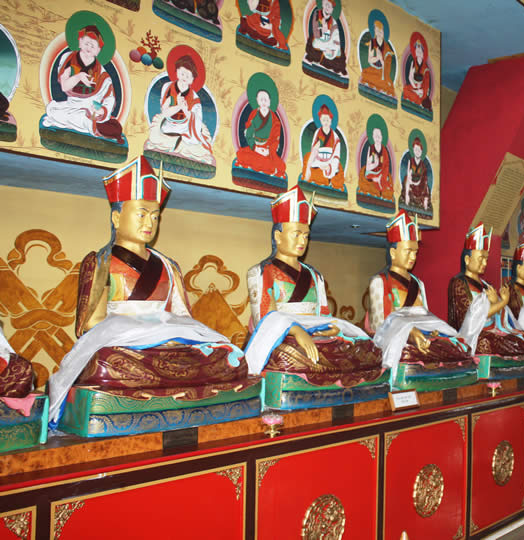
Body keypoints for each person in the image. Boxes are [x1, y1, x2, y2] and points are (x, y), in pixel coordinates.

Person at [48, 156, 249, 425]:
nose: (149, 223)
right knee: (109, 363)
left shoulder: (168, 265)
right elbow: (89, 325)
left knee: (227, 357)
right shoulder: (101, 262)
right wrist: (142, 332)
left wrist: (173, 338)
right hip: (128, 346)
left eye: (155, 216)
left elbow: (183, 317)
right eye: (141, 214)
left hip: (169, 343)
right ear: (117, 217)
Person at [245, 186, 384, 388]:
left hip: (316, 333)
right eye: (296, 234)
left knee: (364, 348)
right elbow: (264, 320)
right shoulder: (260, 272)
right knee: (292, 354)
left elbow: (323, 314)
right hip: (283, 337)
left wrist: (331, 329)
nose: (303, 241)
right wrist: (296, 330)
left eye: (306, 235)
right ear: (278, 236)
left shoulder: (314, 275)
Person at [368, 211, 474, 378]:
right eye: (408, 251)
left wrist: (433, 331)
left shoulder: (418, 284)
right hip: (399, 341)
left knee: (456, 347)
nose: (413, 257)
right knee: (413, 352)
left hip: (424, 334)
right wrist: (409, 332)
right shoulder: (380, 281)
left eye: (416, 252)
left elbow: (426, 317)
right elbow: (379, 328)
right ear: (393, 252)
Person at [447, 223, 524, 358]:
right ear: (467, 259)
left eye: (486, 259)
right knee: (485, 343)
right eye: (481, 259)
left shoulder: (486, 285)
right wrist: (502, 302)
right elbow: (472, 318)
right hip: (474, 336)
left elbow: (501, 317)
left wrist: (498, 305)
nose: (485, 264)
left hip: (494, 330)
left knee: (522, 339)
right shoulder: (459, 283)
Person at [42, 23, 120, 140]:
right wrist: (79, 77)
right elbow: (64, 87)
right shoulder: (68, 59)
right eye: (86, 43)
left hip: (91, 111)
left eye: (93, 46)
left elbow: (110, 99)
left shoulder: (103, 74)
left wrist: (102, 111)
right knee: (53, 111)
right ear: (79, 42)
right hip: (71, 106)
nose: (89, 47)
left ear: (98, 50)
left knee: (87, 118)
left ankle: (88, 123)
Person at [145, 49, 214, 165]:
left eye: (188, 75)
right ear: (176, 72)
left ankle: (181, 144)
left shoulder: (194, 97)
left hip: (186, 128)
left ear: (192, 79)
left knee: (200, 149)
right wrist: (178, 107)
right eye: (182, 73)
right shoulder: (168, 88)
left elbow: (196, 120)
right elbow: (165, 113)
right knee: (155, 138)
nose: (184, 77)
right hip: (169, 125)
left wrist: (186, 111)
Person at [235, 76, 286, 178]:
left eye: (265, 99)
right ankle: (267, 167)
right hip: (255, 148)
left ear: (270, 101)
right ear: (257, 101)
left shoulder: (275, 119)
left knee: (280, 166)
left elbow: (276, 139)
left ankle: (269, 166)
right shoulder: (254, 114)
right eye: (261, 99)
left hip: (268, 151)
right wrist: (255, 148)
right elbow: (249, 133)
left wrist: (268, 151)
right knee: (241, 154)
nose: (263, 101)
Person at [301, 103, 346, 190]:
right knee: (307, 157)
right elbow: (314, 151)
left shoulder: (335, 137)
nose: (325, 122)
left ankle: (329, 180)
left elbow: (336, 155)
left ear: (331, 121)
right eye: (323, 120)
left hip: (331, 161)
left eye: (327, 120)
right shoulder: (318, 132)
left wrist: (329, 167)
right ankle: (319, 178)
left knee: (339, 171)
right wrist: (309, 168)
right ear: (320, 121)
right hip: (318, 160)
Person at [304, 0, 347, 75]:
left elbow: (336, 40)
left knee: (340, 56)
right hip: (318, 41)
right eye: (326, 4)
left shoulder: (334, 22)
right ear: (323, 4)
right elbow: (316, 33)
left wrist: (332, 52)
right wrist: (323, 30)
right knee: (313, 48)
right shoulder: (317, 14)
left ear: (333, 10)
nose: (328, 8)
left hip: (329, 45)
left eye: (330, 6)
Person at [358, 115, 392, 199]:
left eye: (379, 135)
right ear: (372, 137)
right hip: (372, 173)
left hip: (382, 174)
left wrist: (381, 177)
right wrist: (373, 165)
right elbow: (368, 166)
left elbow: (386, 166)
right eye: (375, 135)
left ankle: (379, 188)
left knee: (388, 183)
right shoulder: (371, 148)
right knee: (365, 177)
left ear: (382, 137)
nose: (377, 137)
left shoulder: (384, 151)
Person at [360, 19, 394, 97]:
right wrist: (377, 58)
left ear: (384, 33)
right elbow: (370, 59)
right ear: (374, 31)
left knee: (387, 85)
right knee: (366, 75)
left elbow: (387, 64)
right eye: (377, 30)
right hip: (374, 69)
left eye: (381, 30)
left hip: (383, 73)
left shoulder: (387, 48)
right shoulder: (372, 42)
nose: (379, 32)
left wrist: (381, 60)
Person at [402, 32, 431, 110]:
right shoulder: (413, 62)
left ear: (423, 53)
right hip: (414, 88)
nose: (418, 51)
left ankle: (418, 101)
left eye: (420, 49)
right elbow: (410, 77)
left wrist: (420, 91)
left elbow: (426, 85)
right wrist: (415, 89)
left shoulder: (425, 69)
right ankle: (416, 100)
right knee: (405, 89)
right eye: (417, 49)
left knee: (421, 98)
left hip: (422, 92)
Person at [402, 134, 430, 211]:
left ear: (421, 151)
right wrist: (407, 193)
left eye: (419, 150)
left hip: (420, 187)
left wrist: (418, 183)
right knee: (406, 180)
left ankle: (424, 201)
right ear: (413, 150)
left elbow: (424, 181)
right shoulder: (410, 162)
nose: (417, 152)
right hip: (411, 185)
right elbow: (408, 177)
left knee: (426, 188)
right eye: (416, 149)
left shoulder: (423, 166)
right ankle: (408, 196)